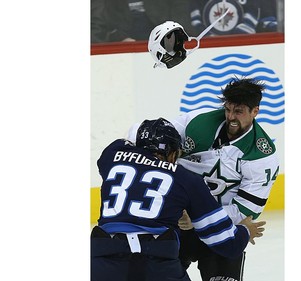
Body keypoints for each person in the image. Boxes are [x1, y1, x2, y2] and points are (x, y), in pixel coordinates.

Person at [128, 77, 279, 280]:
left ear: (255, 111)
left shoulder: (262, 156)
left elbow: (245, 212)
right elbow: (144, 136)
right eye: (228, 109)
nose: (231, 117)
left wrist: (199, 218)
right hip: (177, 226)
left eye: (239, 111)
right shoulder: (198, 122)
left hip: (221, 232)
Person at [91, 118, 267, 281]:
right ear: (171, 153)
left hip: (104, 260)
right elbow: (227, 243)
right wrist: (245, 231)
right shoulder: (186, 179)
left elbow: (122, 144)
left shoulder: (111, 157)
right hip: (156, 264)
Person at [190, 0, 278, 37]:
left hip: (248, 48)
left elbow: (269, 22)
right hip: (206, 51)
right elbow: (195, 22)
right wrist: (208, 38)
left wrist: (244, 33)